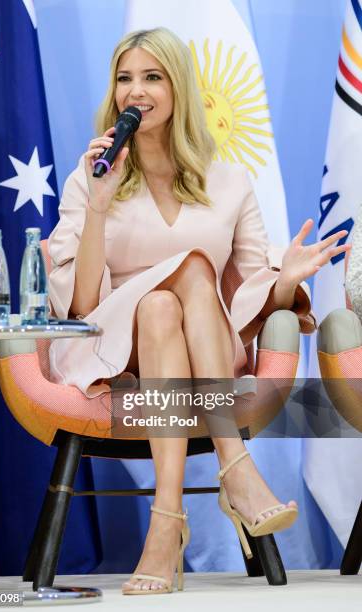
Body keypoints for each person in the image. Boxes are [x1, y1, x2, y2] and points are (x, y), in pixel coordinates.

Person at [47, 28, 350, 595]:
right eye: (124, 78)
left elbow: (252, 292)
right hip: (113, 345)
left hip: (202, 340)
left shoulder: (230, 181)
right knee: (187, 270)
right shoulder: (91, 176)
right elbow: (83, 304)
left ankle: (165, 530)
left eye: (152, 77)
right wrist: (98, 204)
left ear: (178, 86)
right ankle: (235, 470)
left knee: (166, 303)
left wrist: (283, 281)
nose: (135, 91)